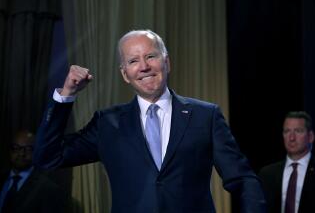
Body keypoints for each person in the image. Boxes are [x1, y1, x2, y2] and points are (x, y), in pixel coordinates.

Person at [33, 29, 266, 213]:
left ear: (167, 63)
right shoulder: (108, 123)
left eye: (151, 56)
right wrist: (66, 94)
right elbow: (47, 157)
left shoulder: (205, 116)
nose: (144, 66)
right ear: (125, 74)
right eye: (133, 61)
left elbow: (243, 179)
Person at [259, 111, 315, 213]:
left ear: (310, 136)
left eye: (298, 131)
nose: (291, 138)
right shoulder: (267, 174)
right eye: (287, 131)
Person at [0, 130, 70, 213]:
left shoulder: (49, 189)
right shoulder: (1, 179)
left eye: (28, 149)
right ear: (10, 150)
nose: (21, 153)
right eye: (16, 148)